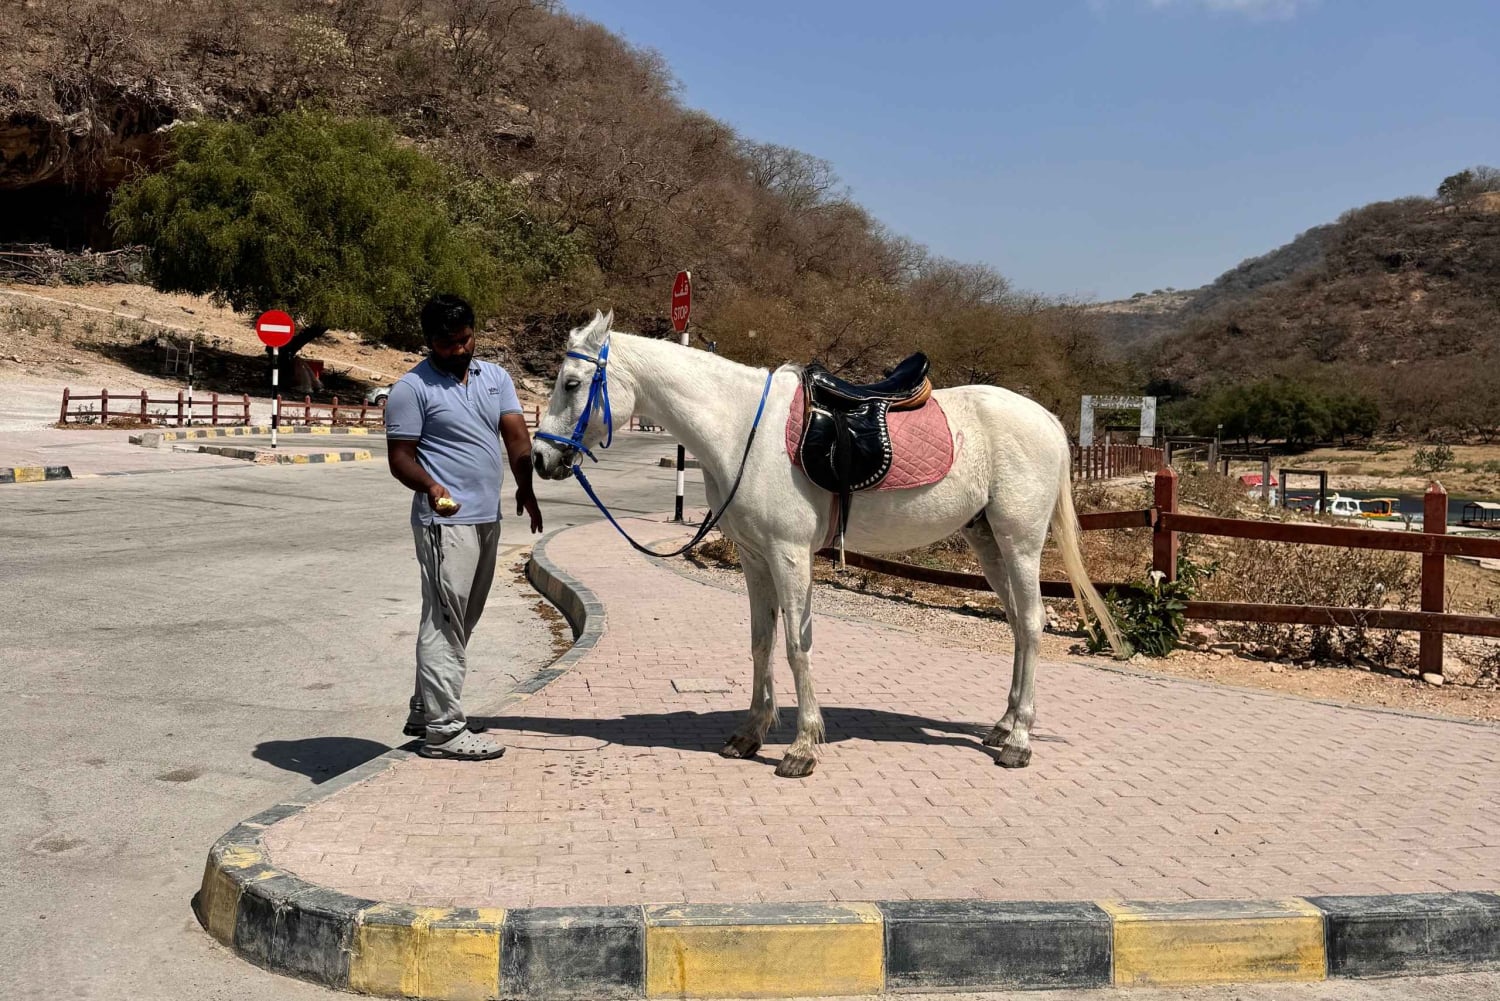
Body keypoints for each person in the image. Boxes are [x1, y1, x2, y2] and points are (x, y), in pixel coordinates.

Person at [383, 294, 543, 760]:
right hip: (444, 522)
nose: (459, 348)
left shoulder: (496, 378)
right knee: (445, 621)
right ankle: (445, 731)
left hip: (486, 518)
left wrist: (527, 489)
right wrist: (431, 486)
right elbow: (400, 459)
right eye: (448, 343)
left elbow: (515, 436)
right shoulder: (411, 389)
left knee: (460, 619)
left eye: (466, 339)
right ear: (428, 341)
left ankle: (423, 708)